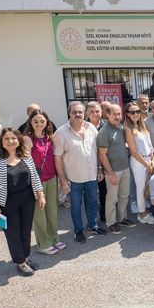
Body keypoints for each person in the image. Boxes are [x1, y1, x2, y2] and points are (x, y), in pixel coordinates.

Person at [0, 128, 46, 276]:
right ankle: (20, 262)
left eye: (13, 138)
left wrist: (41, 194)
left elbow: (34, 177)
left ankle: (25, 257)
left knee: (25, 230)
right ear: (1, 141)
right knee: (13, 233)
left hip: (27, 199)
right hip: (7, 203)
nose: (10, 141)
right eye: (6, 138)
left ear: (19, 140)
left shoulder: (25, 155)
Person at [54, 102, 107, 243]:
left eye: (80, 112)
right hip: (74, 178)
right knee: (76, 206)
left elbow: (97, 151)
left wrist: (100, 168)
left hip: (91, 175)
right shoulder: (61, 132)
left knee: (92, 202)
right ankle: (78, 230)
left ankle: (92, 226)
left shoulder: (91, 129)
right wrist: (63, 180)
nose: (78, 115)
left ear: (84, 113)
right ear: (69, 113)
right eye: (74, 112)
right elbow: (57, 158)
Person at [22, 110, 64, 255]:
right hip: (36, 181)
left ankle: (54, 238)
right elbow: (25, 161)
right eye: (36, 121)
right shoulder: (27, 139)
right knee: (39, 214)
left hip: (51, 178)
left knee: (52, 211)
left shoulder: (49, 137)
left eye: (42, 121)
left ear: (47, 123)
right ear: (31, 122)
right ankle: (43, 243)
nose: (39, 124)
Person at [97, 104, 135, 234]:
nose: (118, 116)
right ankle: (111, 222)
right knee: (112, 198)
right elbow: (102, 155)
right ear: (108, 115)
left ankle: (122, 218)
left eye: (119, 114)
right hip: (113, 171)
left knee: (124, 196)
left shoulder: (121, 128)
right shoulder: (104, 131)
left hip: (125, 168)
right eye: (115, 114)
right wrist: (111, 173)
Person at [124, 102, 154, 225]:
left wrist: (152, 160)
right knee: (140, 189)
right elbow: (133, 151)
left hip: (148, 159)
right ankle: (142, 214)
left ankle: (144, 210)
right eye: (132, 112)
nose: (136, 114)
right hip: (138, 162)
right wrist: (147, 164)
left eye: (137, 111)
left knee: (147, 187)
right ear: (127, 114)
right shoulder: (128, 129)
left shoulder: (141, 126)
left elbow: (149, 145)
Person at [86, 101, 106, 221]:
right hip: (89, 166)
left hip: (105, 165)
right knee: (90, 196)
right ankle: (91, 220)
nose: (95, 114)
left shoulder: (108, 125)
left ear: (101, 112)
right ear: (87, 113)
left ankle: (104, 215)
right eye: (92, 111)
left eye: (97, 111)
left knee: (104, 193)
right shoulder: (82, 127)